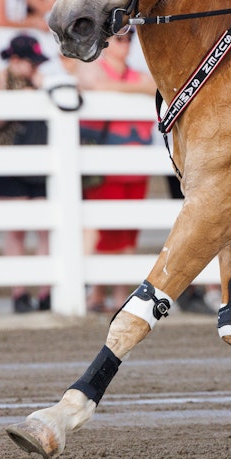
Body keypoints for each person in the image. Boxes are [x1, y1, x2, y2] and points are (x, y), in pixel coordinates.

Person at [79, 29, 156, 314]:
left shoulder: (133, 75)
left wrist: (119, 89)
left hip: (136, 167)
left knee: (127, 233)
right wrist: (128, 90)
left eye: (128, 38)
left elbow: (153, 85)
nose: (125, 44)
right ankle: (97, 293)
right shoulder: (95, 69)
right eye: (119, 38)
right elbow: (92, 84)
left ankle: (122, 295)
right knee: (104, 230)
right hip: (106, 167)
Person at [0, 34, 52, 313]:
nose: (35, 67)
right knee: (17, 229)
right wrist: (16, 102)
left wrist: (38, 92)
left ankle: (47, 292)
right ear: (15, 61)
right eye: (30, 62)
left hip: (40, 160)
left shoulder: (42, 82)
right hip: (9, 160)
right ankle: (19, 293)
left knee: (46, 228)